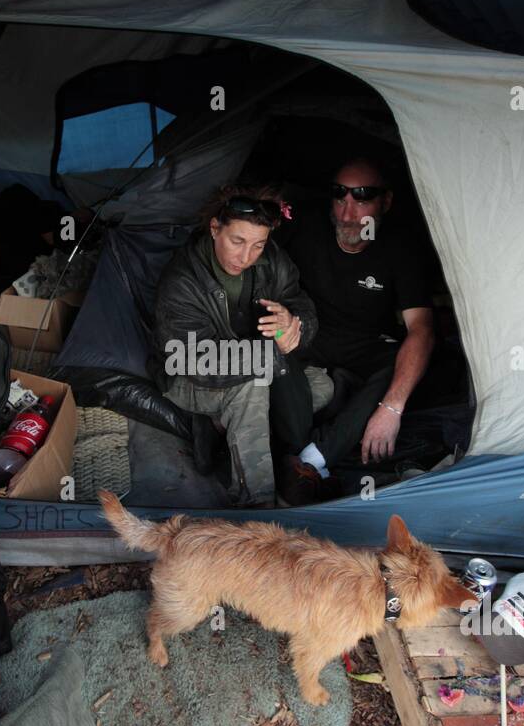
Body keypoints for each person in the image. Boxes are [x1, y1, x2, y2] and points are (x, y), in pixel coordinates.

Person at [273, 157, 436, 493]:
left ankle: (313, 458)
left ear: (385, 201)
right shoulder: (306, 227)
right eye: (340, 196)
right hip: (311, 334)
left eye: (362, 197)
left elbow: (421, 328)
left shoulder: (400, 247)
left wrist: (391, 409)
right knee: (268, 345)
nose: (347, 213)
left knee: (404, 363)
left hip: (366, 345)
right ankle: (291, 452)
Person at [152, 185, 317, 507]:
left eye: (258, 245)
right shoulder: (181, 282)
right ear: (215, 229)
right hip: (188, 374)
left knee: (321, 387)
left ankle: (216, 425)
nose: (246, 257)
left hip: (256, 356)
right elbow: (194, 360)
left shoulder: (271, 260)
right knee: (252, 385)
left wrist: (294, 323)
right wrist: (271, 354)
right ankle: (259, 505)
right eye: (237, 241)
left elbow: (301, 304)